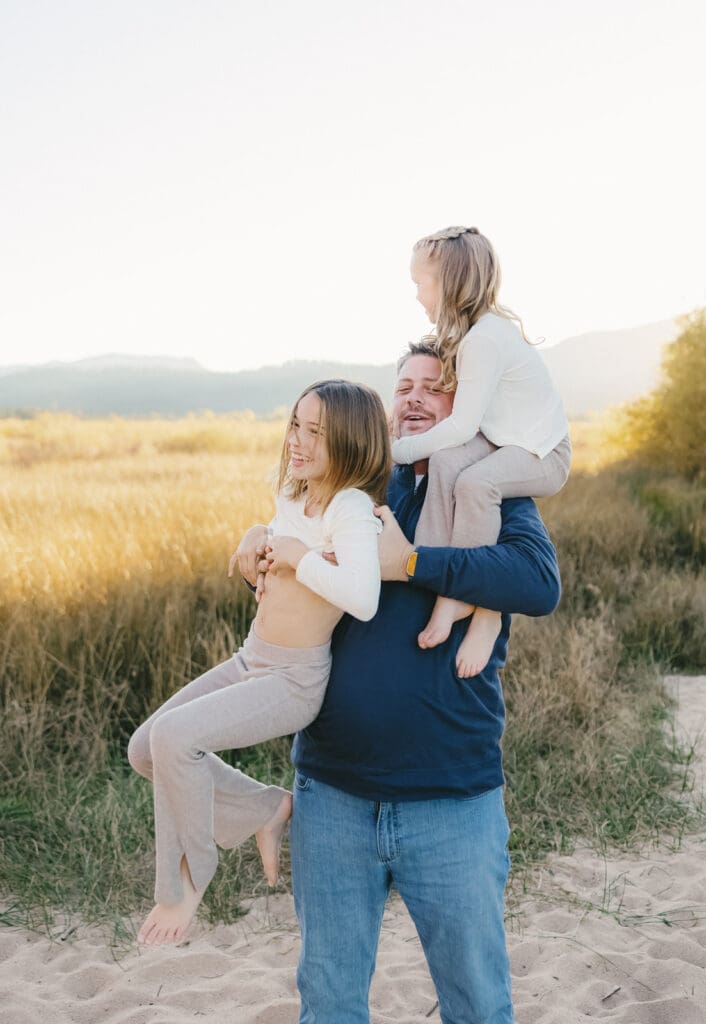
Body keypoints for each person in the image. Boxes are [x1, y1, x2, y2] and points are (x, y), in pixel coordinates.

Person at [238, 345, 561, 1023]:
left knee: (474, 1000)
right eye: (403, 385)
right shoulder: (360, 485)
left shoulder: (487, 486)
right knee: (328, 999)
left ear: (467, 403)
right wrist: (256, 537)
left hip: (452, 799)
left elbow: (537, 582)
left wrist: (410, 560)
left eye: (435, 387)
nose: (414, 398)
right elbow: (289, 519)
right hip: (333, 794)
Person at [127, 379, 391, 946]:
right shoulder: (297, 492)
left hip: (294, 679)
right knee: (146, 748)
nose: (297, 439)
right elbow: (280, 540)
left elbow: (364, 598)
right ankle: (267, 807)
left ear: (350, 439)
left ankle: (187, 883)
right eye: (296, 424)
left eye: (315, 432)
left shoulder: (350, 508)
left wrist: (297, 558)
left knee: (176, 739)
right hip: (252, 658)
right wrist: (260, 534)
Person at [391, 226, 571, 679]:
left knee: (476, 482)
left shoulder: (483, 340)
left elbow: (462, 426)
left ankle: (480, 609)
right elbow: (457, 441)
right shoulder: (474, 336)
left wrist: (400, 449)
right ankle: (434, 571)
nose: (417, 297)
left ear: (449, 284)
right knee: (451, 463)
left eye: (420, 284)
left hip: (542, 454)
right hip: (508, 440)